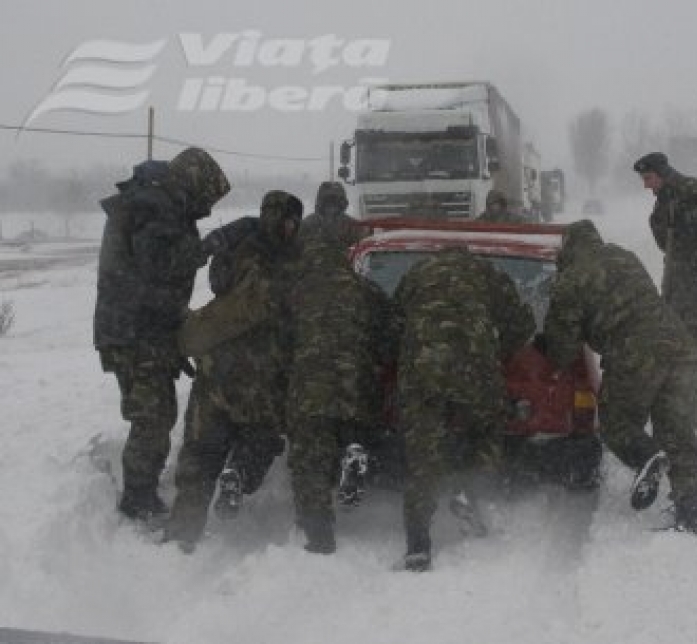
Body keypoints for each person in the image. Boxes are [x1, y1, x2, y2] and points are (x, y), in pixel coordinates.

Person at [540, 220, 697, 538]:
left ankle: (646, 455)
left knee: (616, 423)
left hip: (635, 351)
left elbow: (562, 349)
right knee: (679, 435)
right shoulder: (624, 256)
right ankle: (693, 516)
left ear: (568, 249)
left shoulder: (571, 279)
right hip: (681, 347)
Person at [93, 147, 230, 521]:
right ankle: (138, 501)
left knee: (155, 412)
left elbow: (152, 281)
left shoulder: (154, 201)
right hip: (134, 332)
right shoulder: (156, 206)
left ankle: (141, 492)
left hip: (140, 328)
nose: (206, 206)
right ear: (193, 182)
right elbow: (159, 267)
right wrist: (206, 248)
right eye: (207, 197)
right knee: (153, 416)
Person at [163, 191, 303, 550]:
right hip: (262, 374)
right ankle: (239, 473)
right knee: (262, 438)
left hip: (215, 368)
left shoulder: (235, 250)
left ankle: (181, 536)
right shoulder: (294, 261)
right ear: (289, 222)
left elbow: (217, 286)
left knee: (199, 454)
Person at [393, 247, 535, 571]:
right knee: (486, 428)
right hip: (475, 364)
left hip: (422, 365)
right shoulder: (487, 271)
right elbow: (521, 322)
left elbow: (394, 321)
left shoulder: (418, 272)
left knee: (422, 455)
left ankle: (417, 544)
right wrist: (499, 351)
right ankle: (466, 485)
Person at [283, 238, 396, 555]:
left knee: (310, 461)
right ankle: (355, 450)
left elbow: (280, 342)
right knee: (357, 427)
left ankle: (318, 534)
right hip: (357, 383)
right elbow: (390, 340)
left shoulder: (296, 292)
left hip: (309, 387)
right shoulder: (367, 291)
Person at [633, 152, 697, 388]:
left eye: (648, 178)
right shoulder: (661, 206)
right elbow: (666, 246)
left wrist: (689, 221)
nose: (646, 185)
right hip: (680, 281)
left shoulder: (691, 188)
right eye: (643, 180)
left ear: (661, 174)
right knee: (679, 331)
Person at [297, 181, 365, 248]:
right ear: (321, 202)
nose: (332, 205)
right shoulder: (307, 224)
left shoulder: (353, 225)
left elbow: (364, 250)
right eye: (327, 201)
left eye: (336, 201)